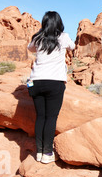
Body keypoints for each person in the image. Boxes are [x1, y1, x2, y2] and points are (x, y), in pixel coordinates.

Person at [27, 11, 75, 163]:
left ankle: (39, 152)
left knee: (40, 117)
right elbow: (72, 47)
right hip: (55, 81)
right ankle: (47, 153)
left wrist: (41, 34)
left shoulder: (38, 38)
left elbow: (30, 48)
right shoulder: (63, 36)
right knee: (51, 117)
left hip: (36, 81)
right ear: (58, 23)